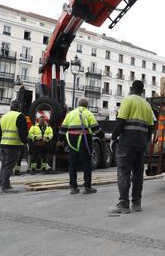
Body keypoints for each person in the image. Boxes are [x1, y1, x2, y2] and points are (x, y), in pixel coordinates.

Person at [108, 80, 154, 214]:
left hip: (127, 143)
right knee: (138, 174)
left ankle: (123, 204)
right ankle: (136, 203)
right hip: (141, 144)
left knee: (124, 172)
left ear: (131, 89)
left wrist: (113, 137)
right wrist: (145, 141)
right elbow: (151, 127)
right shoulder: (147, 105)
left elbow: (120, 121)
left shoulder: (128, 100)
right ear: (142, 91)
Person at [57, 98, 104, 195]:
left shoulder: (70, 114)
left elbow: (63, 128)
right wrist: (102, 137)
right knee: (86, 163)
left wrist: (60, 140)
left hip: (72, 140)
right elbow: (96, 128)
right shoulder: (88, 113)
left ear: (78, 105)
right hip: (84, 140)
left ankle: (73, 187)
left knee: (72, 164)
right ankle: (87, 187)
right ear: (86, 105)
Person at [0, 100, 29, 193]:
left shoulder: (3, 116)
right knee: (9, 166)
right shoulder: (20, 116)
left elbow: (1, 132)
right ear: (19, 107)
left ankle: (2, 183)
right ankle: (6, 186)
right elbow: (23, 132)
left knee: (4, 165)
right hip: (13, 145)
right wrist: (25, 142)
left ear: (10, 107)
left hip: (3, 144)